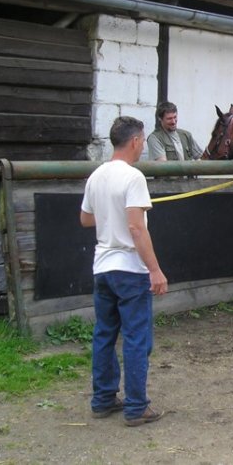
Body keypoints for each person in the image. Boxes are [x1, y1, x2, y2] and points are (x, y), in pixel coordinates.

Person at [80, 116, 168, 427]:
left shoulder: (96, 176)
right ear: (134, 142)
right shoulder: (133, 178)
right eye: (142, 140)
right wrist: (154, 270)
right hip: (130, 269)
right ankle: (136, 406)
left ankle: (103, 399)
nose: (143, 145)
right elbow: (135, 227)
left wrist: (109, 213)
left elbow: (86, 219)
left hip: (102, 268)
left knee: (104, 334)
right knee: (136, 338)